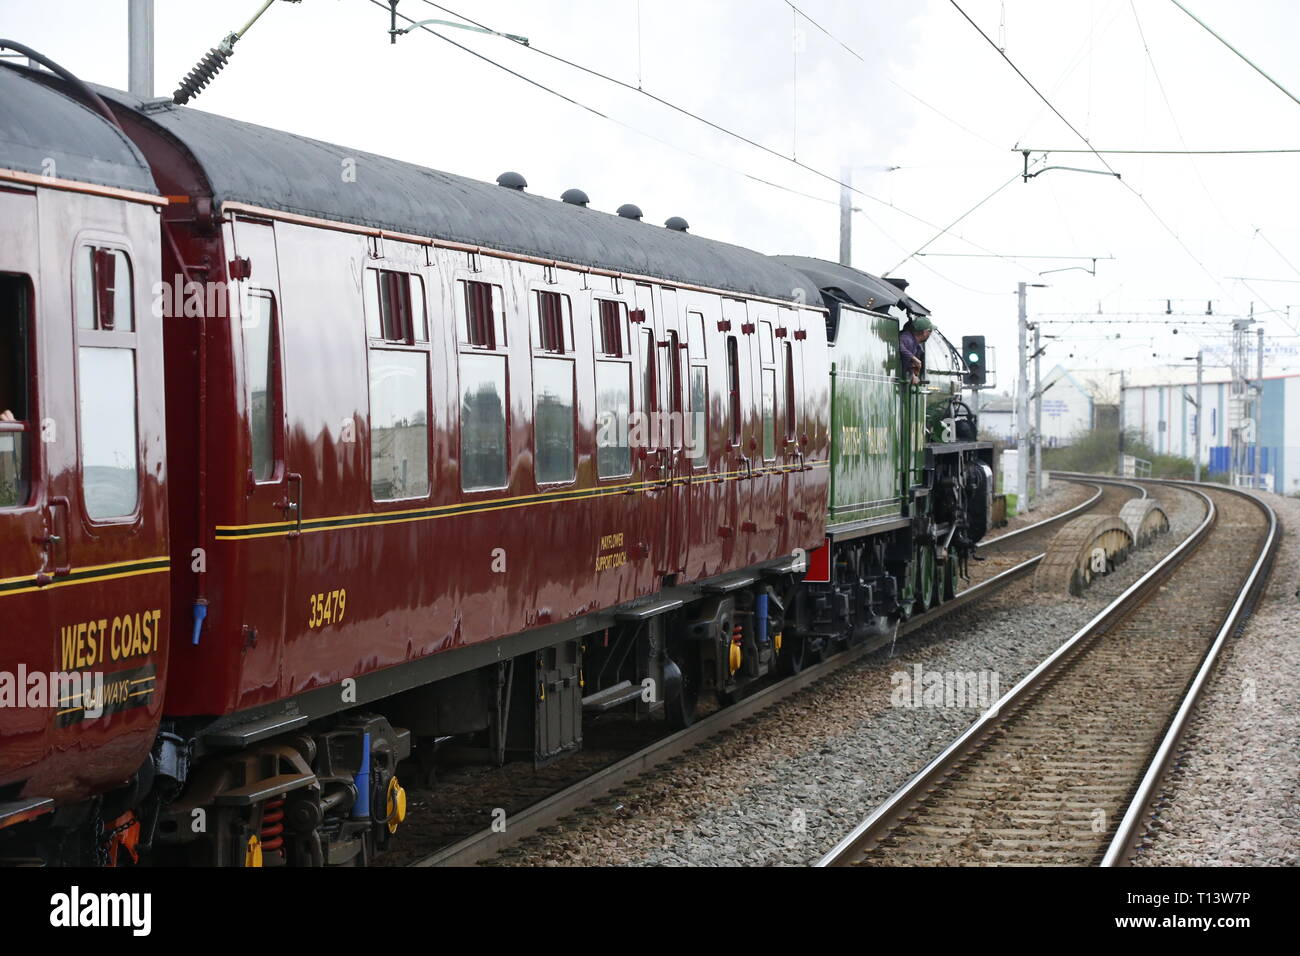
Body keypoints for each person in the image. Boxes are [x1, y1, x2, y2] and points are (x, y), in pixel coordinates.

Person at [899, 315, 934, 385]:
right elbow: (898, 347)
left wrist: (912, 375)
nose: (931, 333)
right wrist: (913, 358)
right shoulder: (907, 339)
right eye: (930, 331)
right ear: (924, 332)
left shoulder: (915, 344)